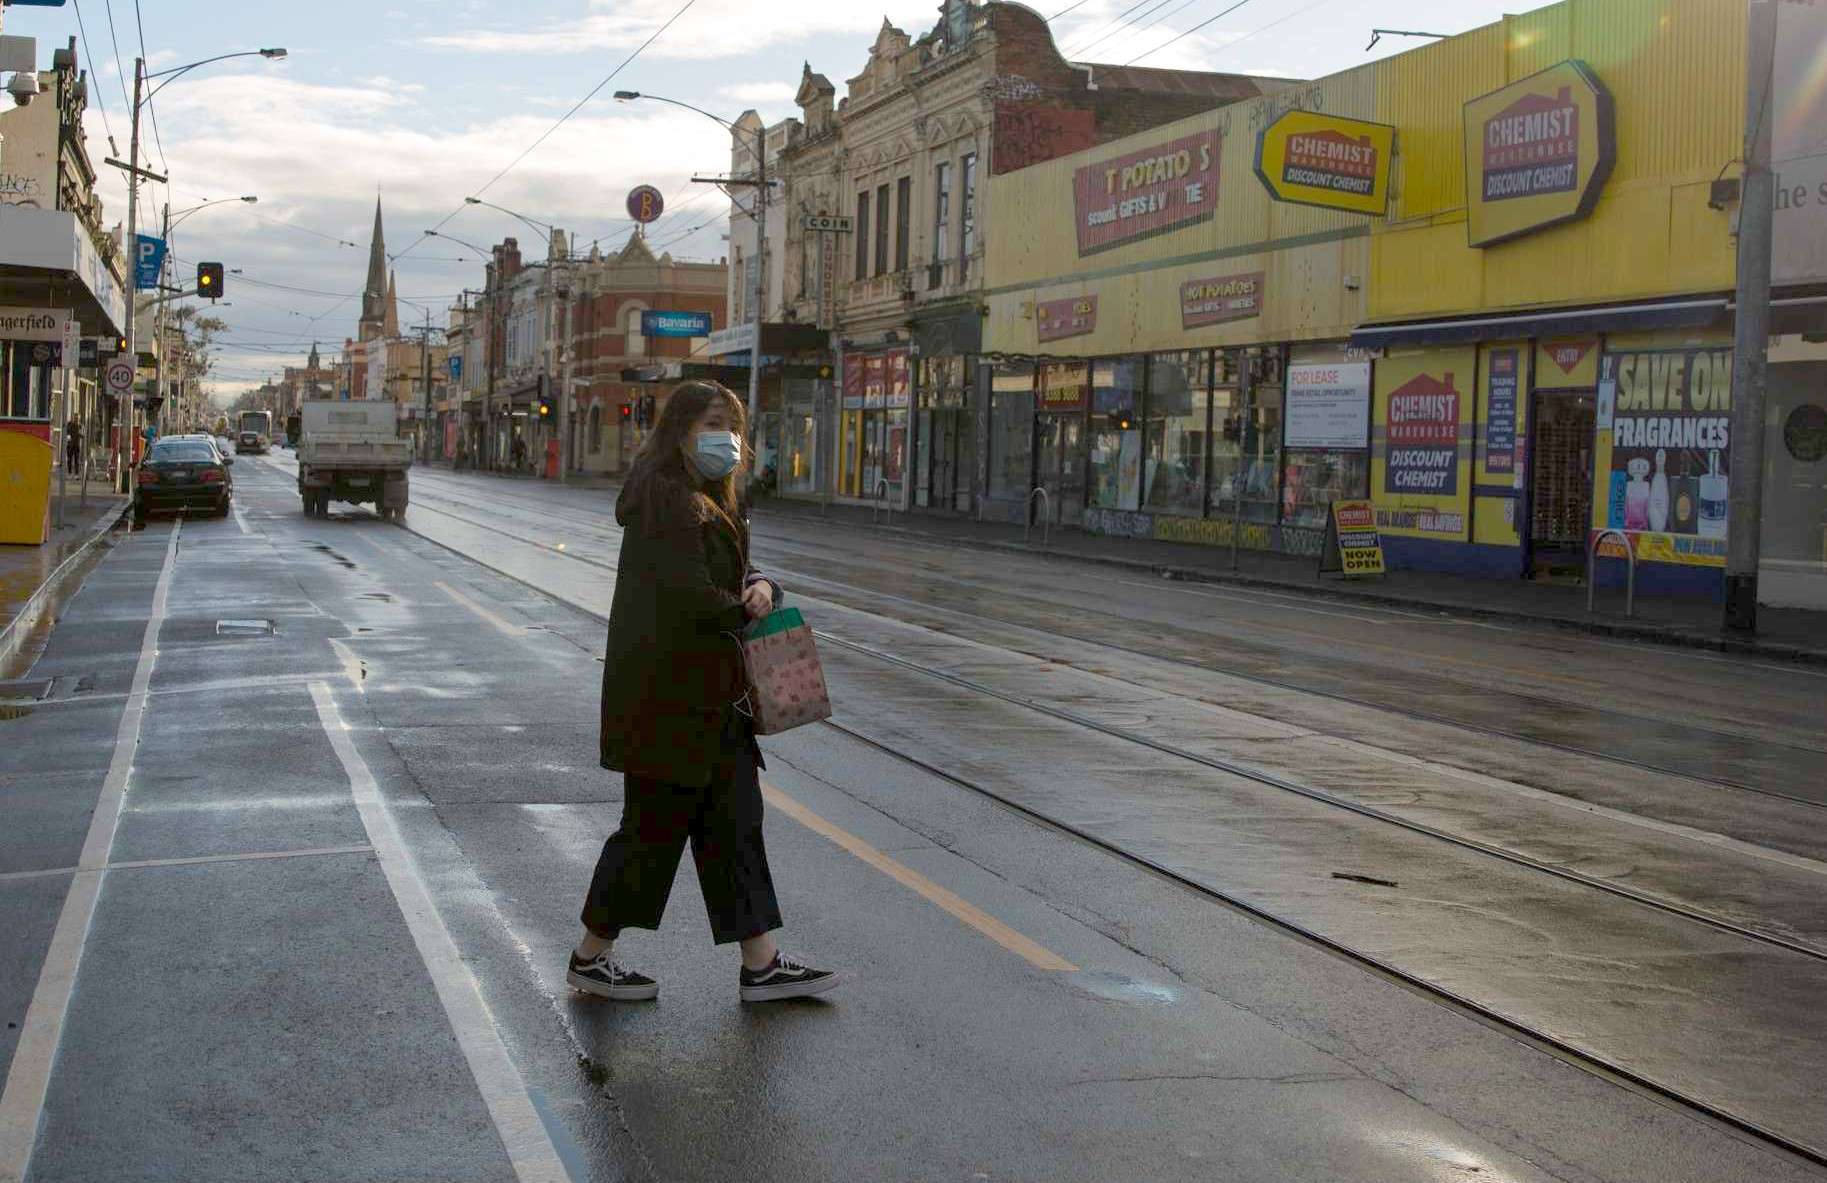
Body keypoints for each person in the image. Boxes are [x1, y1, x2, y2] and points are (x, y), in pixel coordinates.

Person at [573, 380, 840, 1004]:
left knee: (734, 826)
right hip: (667, 702)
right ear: (681, 429)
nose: (728, 436)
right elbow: (686, 595)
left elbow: (730, 570)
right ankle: (590, 956)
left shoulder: (704, 497)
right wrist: (746, 611)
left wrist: (763, 585)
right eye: (715, 422)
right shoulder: (664, 499)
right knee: (650, 832)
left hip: (708, 701)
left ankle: (762, 964)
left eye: (735, 423)